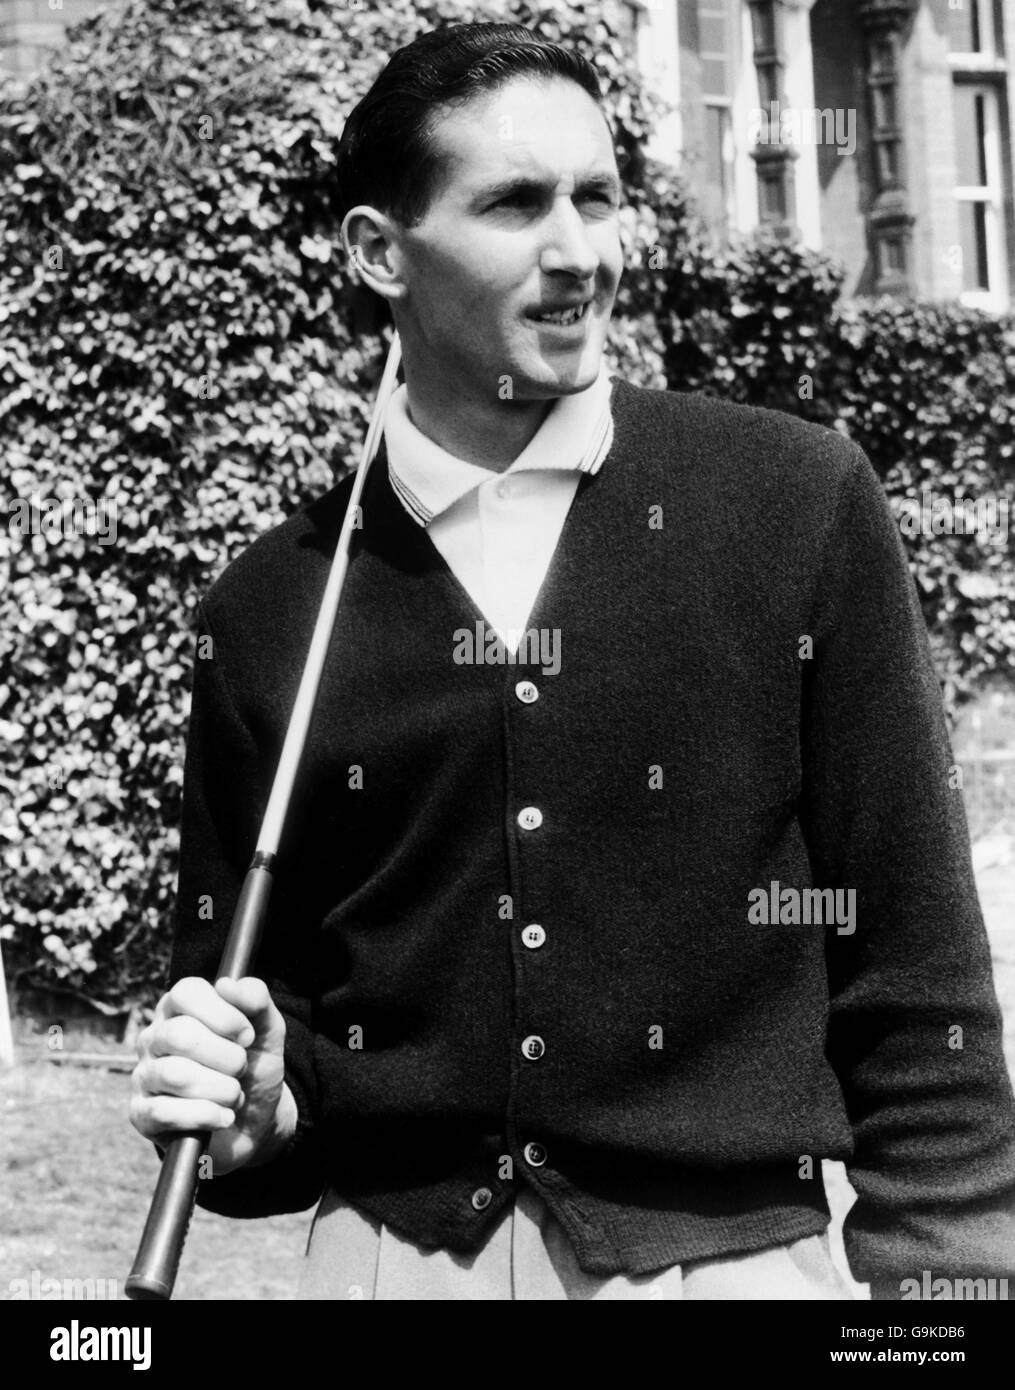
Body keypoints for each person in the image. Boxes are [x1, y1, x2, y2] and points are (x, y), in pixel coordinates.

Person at [129, 22, 1015, 1300]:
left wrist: (948, 1297)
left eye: (597, 197)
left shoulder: (788, 503)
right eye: (515, 204)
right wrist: (259, 1109)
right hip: (383, 1273)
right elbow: (267, 1096)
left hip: (730, 1271)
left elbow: (913, 965)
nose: (578, 253)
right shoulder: (271, 609)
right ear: (381, 252)